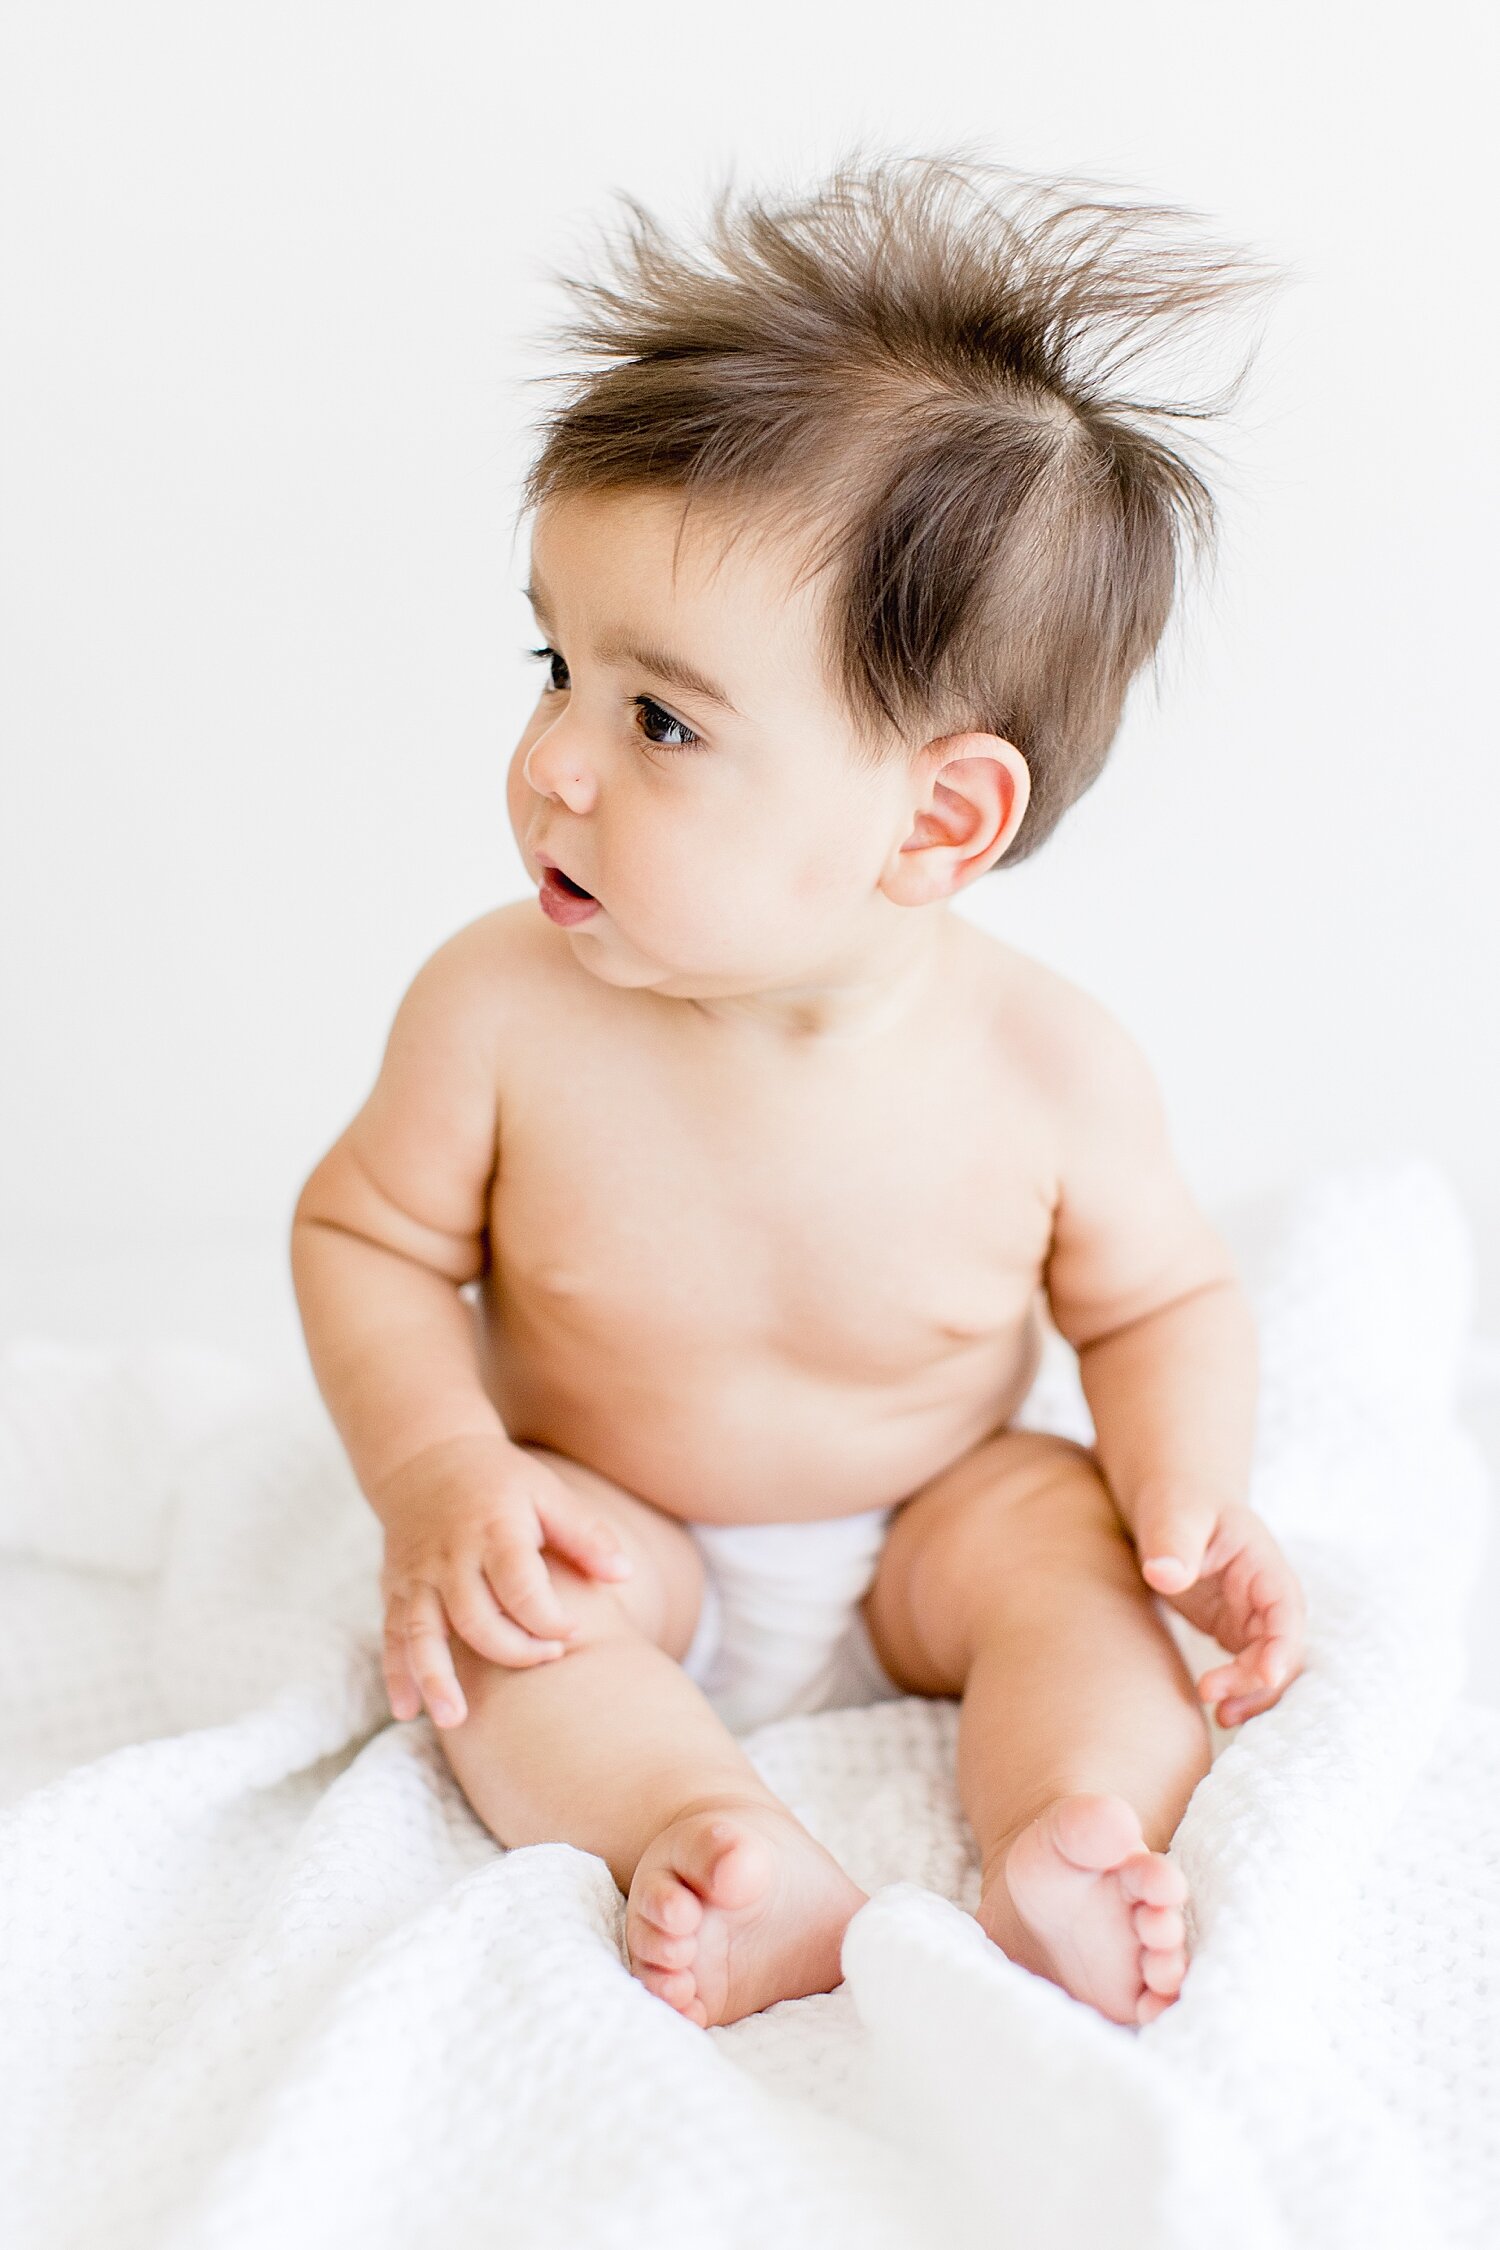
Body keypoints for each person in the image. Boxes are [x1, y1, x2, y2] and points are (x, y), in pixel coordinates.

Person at [290, 154, 1306, 2032]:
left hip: (929, 1520)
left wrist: (1182, 1494)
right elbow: (361, 1230)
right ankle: (709, 1836)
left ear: (937, 817)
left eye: (659, 718)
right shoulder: (500, 1006)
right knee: (514, 1642)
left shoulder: (1046, 1065)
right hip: (622, 1515)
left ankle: (1064, 1833)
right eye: (556, 666)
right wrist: (446, 1470)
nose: (552, 764)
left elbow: (1162, 1295)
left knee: (1067, 1561)